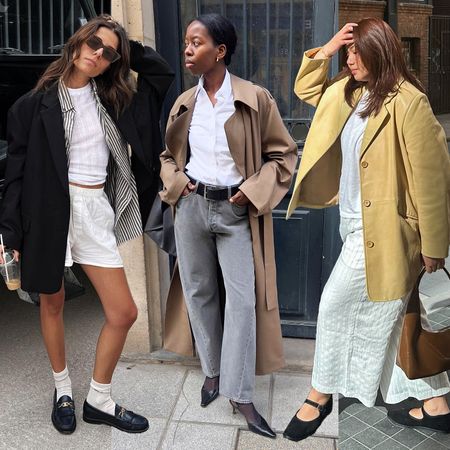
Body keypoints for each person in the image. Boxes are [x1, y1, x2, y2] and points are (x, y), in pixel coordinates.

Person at [0, 15, 174, 434]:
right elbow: (17, 173)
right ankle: (63, 390)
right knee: (52, 302)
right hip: (45, 211)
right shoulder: (31, 105)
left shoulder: (115, 99)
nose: (98, 53)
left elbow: (161, 72)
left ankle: (99, 398)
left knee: (124, 312)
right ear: (77, 41)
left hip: (94, 209)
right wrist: (9, 234)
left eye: (109, 52)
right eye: (94, 43)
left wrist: (123, 44)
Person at [283, 18, 450, 442]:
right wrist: (329, 45)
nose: (351, 59)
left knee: (334, 305)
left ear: (381, 51)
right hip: (353, 223)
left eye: (358, 52)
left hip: (389, 233)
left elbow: (432, 182)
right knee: (396, 316)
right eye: (348, 53)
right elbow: (305, 91)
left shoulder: (409, 103)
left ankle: (319, 396)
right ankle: (435, 402)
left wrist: (434, 245)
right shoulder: (350, 93)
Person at [159, 13, 297, 439]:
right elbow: (167, 157)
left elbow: (284, 156)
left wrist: (251, 192)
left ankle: (241, 394)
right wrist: (178, 186)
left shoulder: (255, 98)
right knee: (199, 292)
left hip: (237, 211)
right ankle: (213, 373)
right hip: (192, 207)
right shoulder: (185, 102)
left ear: (220, 51)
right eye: (185, 42)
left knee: (242, 299)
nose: (187, 49)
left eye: (196, 43)